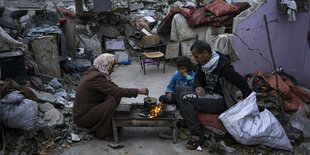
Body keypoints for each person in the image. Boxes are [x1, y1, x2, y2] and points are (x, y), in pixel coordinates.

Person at [175, 40, 252, 150]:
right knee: (178, 89)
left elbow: (242, 83)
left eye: (196, 57)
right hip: (207, 94)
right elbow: (197, 78)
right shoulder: (204, 63)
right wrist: (198, 87)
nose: (195, 60)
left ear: (205, 53)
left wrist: (249, 106)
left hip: (219, 101)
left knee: (185, 97)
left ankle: (196, 133)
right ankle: (188, 118)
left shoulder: (223, 67)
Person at [73, 53, 149, 139]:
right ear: (105, 66)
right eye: (111, 67)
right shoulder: (95, 77)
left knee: (114, 96)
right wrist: (138, 91)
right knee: (110, 104)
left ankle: (106, 123)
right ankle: (103, 133)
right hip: (82, 117)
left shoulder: (97, 72)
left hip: (90, 109)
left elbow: (113, 88)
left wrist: (116, 93)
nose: (112, 70)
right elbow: (116, 91)